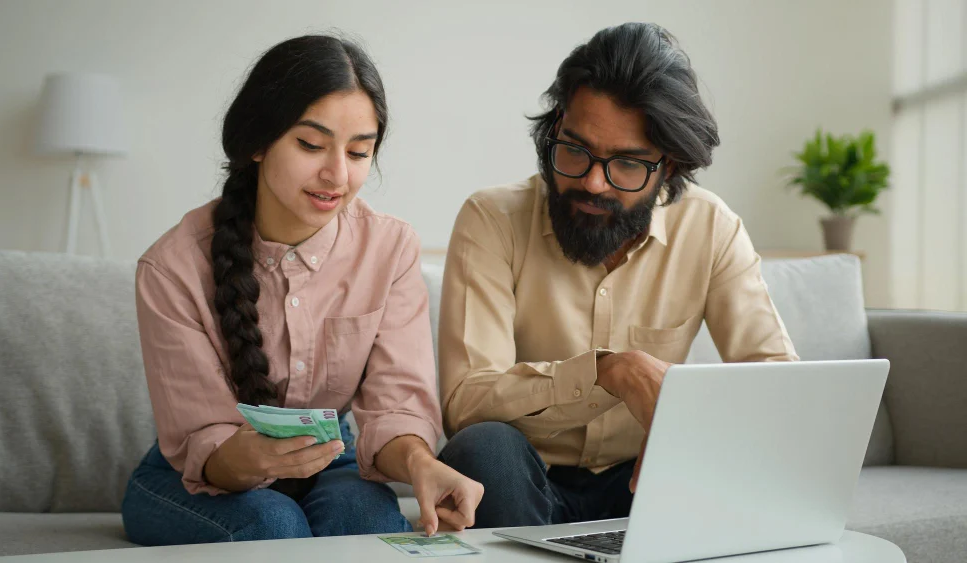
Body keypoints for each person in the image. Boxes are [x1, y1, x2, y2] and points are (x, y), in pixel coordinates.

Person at [121, 35, 482, 545]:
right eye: (311, 145)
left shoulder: (391, 249)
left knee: (368, 525)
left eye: (360, 152)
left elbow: (394, 406)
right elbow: (205, 443)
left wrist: (421, 464)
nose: (337, 174)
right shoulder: (171, 267)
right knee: (272, 525)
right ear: (258, 141)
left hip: (330, 456)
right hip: (198, 474)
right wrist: (248, 458)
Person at [437, 22, 798, 528]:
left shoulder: (711, 227)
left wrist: (693, 424)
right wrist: (608, 371)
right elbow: (466, 402)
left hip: (651, 482)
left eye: (626, 164)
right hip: (526, 477)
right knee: (484, 448)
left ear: (668, 167)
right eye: (576, 149)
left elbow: (780, 386)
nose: (590, 182)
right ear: (556, 126)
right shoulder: (492, 219)